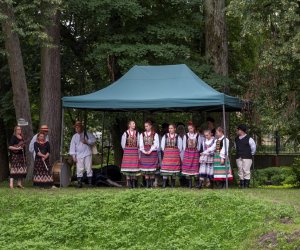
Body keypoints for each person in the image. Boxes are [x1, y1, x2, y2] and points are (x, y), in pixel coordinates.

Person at [69, 121, 96, 188]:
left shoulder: (88, 134)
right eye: (76, 127)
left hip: (87, 153)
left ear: (81, 127)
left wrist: (86, 142)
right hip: (79, 154)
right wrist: (73, 156)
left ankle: (90, 183)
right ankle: (79, 183)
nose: (77, 129)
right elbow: (72, 147)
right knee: (79, 169)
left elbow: (93, 140)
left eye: (78, 127)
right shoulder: (74, 136)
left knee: (88, 168)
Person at [181, 122, 202, 188]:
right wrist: (187, 151)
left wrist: (196, 151)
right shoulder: (186, 135)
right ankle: (190, 184)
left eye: (191, 128)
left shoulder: (198, 135)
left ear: (194, 128)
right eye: (189, 128)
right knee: (188, 167)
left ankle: (196, 183)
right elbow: (184, 145)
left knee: (195, 167)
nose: (190, 129)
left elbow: (199, 145)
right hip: (188, 152)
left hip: (195, 153)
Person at [139, 120, 159, 188]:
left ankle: (151, 184)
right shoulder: (142, 134)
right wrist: (144, 151)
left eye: (147, 126)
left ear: (150, 126)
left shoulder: (155, 134)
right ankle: (147, 185)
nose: (146, 127)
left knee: (152, 170)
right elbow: (141, 144)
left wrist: (150, 150)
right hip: (144, 152)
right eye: (145, 126)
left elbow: (156, 144)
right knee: (146, 170)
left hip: (152, 153)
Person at [120, 121, 140, 188]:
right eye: (133, 123)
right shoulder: (125, 133)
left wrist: (136, 149)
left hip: (134, 151)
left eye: (134, 123)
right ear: (129, 125)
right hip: (128, 151)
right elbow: (123, 144)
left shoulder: (137, 133)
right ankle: (129, 183)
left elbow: (138, 143)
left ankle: (134, 183)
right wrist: (126, 150)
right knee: (127, 167)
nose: (134, 125)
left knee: (134, 167)